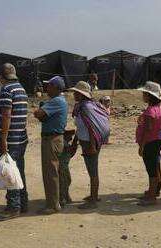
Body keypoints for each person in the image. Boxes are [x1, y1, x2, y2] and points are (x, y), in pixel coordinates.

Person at [0, 63, 29, 221]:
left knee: (9, 173)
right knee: (18, 171)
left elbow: (7, 115)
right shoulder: (20, 88)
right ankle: (23, 202)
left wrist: (4, 139)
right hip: (21, 137)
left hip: (11, 139)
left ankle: (13, 207)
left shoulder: (7, 90)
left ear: (1, 77)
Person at [69, 81, 110, 209]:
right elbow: (81, 127)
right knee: (91, 169)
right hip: (86, 141)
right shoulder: (82, 106)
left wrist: (92, 146)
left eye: (76, 92)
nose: (74, 94)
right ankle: (94, 195)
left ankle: (93, 199)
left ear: (81, 94)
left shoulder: (86, 107)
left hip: (90, 143)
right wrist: (76, 141)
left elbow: (92, 127)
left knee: (93, 171)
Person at [34, 76, 68, 215]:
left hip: (51, 139)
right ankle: (60, 199)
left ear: (55, 87)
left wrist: (39, 111)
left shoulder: (56, 101)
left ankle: (53, 205)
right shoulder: (60, 101)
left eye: (49, 86)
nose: (46, 88)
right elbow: (42, 116)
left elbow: (39, 114)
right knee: (57, 171)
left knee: (50, 173)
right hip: (56, 138)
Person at [135, 81, 161, 206]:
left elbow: (148, 129)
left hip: (150, 141)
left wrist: (142, 145)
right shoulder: (158, 108)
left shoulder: (150, 111)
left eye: (144, 93)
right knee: (156, 165)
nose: (143, 95)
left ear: (149, 95)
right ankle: (154, 191)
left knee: (151, 169)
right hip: (156, 139)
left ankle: (152, 197)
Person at [59, 129, 76, 207]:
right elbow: (71, 152)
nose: (71, 137)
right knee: (64, 182)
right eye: (69, 135)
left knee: (67, 181)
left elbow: (70, 154)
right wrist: (75, 143)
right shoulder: (64, 144)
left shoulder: (66, 143)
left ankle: (65, 196)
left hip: (64, 166)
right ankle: (62, 198)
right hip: (62, 166)